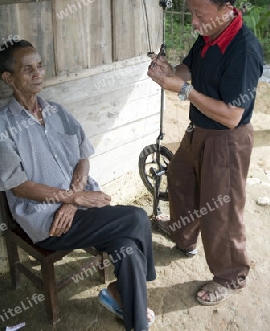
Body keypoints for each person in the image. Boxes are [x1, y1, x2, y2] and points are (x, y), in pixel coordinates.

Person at [0, 40, 156, 331]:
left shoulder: (57, 111)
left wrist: (73, 200)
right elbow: (19, 186)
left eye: (40, 66)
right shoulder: (4, 126)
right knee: (136, 218)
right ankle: (128, 294)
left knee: (128, 248)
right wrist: (76, 199)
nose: (38, 73)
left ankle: (131, 315)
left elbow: (82, 155)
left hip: (78, 209)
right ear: (8, 78)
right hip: (48, 222)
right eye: (27, 69)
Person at [147, 0, 263, 306]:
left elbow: (231, 115)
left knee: (221, 212)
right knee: (181, 178)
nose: (194, 23)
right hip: (198, 130)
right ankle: (184, 236)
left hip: (227, 140)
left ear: (227, 9)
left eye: (200, 15)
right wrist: (171, 71)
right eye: (191, 13)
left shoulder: (243, 49)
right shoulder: (209, 35)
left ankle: (230, 275)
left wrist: (180, 90)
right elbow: (188, 69)